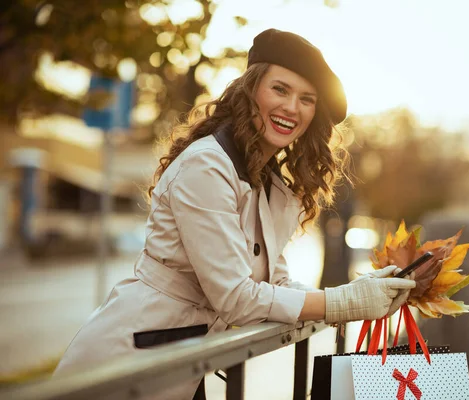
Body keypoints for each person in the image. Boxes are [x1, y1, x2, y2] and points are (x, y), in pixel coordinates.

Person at [53, 28, 416, 399]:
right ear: (251, 89)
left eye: (307, 99)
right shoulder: (207, 166)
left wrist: (361, 291)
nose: (292, 107)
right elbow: (236, 297)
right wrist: (343, 304)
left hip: (182, 362)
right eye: (280, 89)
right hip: (129, 363)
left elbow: (275, 287)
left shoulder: (265, 180)